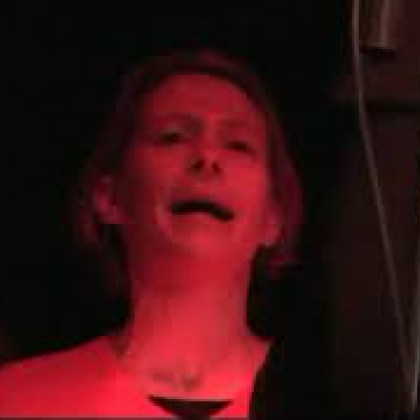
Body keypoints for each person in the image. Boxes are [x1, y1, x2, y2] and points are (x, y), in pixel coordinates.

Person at [0, 49, 302, 417]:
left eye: (239, 145)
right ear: (110, 197)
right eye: (172, 137)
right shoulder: (16, 400)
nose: (208, 156)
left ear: (273, 218)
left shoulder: (337, 393)